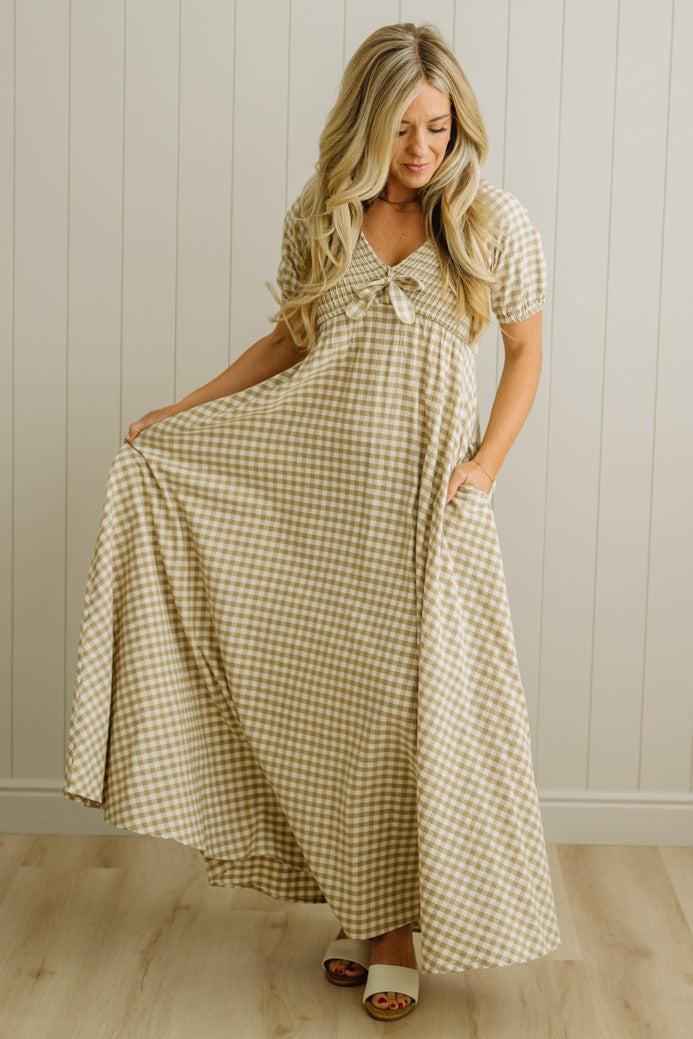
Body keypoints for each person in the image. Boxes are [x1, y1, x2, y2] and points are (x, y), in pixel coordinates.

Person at [63, 21, 561, 1023]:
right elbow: (292, 338)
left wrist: (484, 468)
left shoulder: (489, 219)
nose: (422, 148)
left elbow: (526, 353)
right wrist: (185, 411)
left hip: (429, 502)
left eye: (438, 124)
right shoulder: (324, 214)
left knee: (410, 711)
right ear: (364, 125)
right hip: (322, 498)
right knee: (339, 709)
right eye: (402, 128)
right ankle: (368, 904)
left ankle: (402, 930)